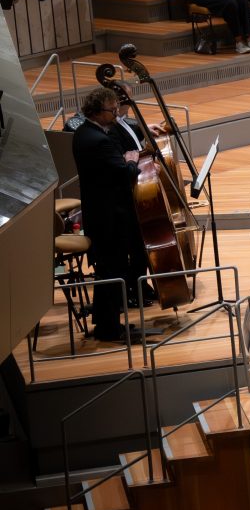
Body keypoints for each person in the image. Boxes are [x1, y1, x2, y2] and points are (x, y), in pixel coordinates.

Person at [73, 87, 150, 341]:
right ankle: (109, 329)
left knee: (108, 270)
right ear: (97, 111)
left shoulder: (84, 133)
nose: (116, 113)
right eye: (112, 109)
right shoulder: (100, 141)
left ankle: (106, 323)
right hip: (109, 217)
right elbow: (124, 174)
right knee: (113, 270)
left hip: (99, 213)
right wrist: (131, 160)